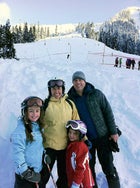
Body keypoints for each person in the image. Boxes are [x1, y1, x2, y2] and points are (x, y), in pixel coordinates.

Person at [68, 71, 121, 188]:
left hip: (102, 137)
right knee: (89, 169)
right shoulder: (70, 99)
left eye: (80, 80)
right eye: (75, 80)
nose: (78, 82)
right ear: (72, 83)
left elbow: (108, 112)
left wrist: (113, 132)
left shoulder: (96, 94)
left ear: (85, 81)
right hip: (86, 141)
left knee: (108, 167)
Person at [39, 78, 80, 188]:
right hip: (49, 147)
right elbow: (37, 122)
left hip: (66, 147)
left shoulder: (70, 103)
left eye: (59, 88)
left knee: (64, 176)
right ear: (50, 90)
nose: (57, 91)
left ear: (63, 89)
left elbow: (77, 123)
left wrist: (83, 141)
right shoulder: (45, 104)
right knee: (44, 175)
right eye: (53, 89)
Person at [11, 96, 45, 188]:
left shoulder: (38, 127)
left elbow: (38, 146)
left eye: (37, 111)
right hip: (25, 176)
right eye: (31, 111)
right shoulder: (20, 130)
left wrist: (45, 155)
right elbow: (17, 153)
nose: (35, 114)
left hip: (36, 172)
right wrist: (25, 172)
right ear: (25, 112)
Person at [65, 120, 95, 188]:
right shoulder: (72, 145)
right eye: (70, 132)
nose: (71, 135)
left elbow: (81, 168)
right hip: (75, 181)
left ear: (81, 135)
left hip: (82, 183)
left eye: (75, 133)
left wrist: (76, 184)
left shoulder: (80, 147)